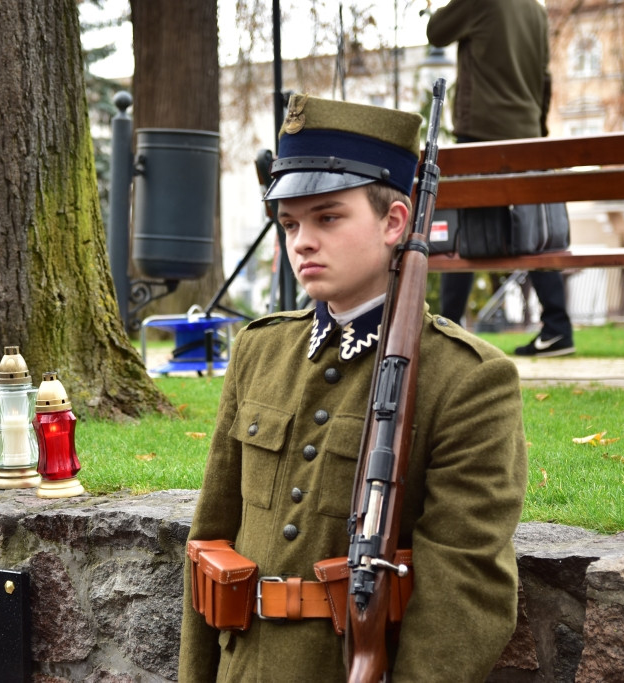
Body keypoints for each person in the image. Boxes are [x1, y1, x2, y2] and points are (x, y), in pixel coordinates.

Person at [178, 94, 528, 682]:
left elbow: (466, 589)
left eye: (327, 218)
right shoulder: (260, 351)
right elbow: (209, 540)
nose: (301, 242)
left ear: (395, 222)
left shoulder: (467, 380)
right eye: (289, 224)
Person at [427, 0, 576, 357]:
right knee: (534, 232)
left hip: (481, 130)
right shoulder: (537, 10)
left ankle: (448, 326)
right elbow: (544, 76)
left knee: (464, 230)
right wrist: (536, 129)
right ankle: (557, 327)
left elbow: (436, 31)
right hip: (526, 132)